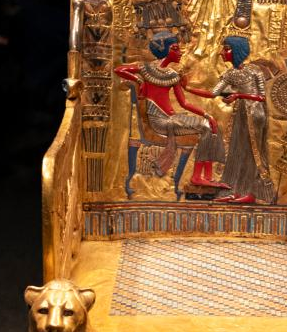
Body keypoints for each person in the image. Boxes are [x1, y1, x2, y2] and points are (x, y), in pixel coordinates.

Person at [114, 32, 228, 187]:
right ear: (165, 49)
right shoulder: (145, 68)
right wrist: (138, 80)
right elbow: (119, 69)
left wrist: (207, 115)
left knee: (212, 126)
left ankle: (208, 177)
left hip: (172, 118)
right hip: (160, 121)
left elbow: (184, 103)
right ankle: (197, 177)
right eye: (175, 48)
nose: (180, 52)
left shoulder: (172, 75)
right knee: (206, 128)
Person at [187, 35, 276, 204]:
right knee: (237, 151)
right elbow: (212, 93)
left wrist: (239, 95)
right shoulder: (229, 74)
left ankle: (252, 193)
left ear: (237, 51)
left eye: (226, 49)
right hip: (241, 113)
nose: (222, 52)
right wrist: (188, 88)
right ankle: (234, 190)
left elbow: (262, 97)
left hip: (255, 113)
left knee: (252, 153)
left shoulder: (255, 70)